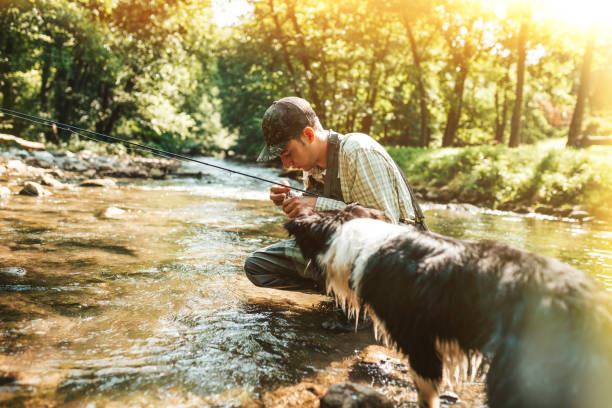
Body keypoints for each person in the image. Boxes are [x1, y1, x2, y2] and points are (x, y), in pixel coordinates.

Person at [244, 96, 426, 293]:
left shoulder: (358, 151)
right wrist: (293, 201)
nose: (286, 164)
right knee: (257, 266)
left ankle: (362, 306)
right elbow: (327, 218)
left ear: (308, 135)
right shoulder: (311, 167)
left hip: (396, 257)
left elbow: (385, 227)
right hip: (346, 252)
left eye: (288, 153)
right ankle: (339, 298)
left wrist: (315, 205)